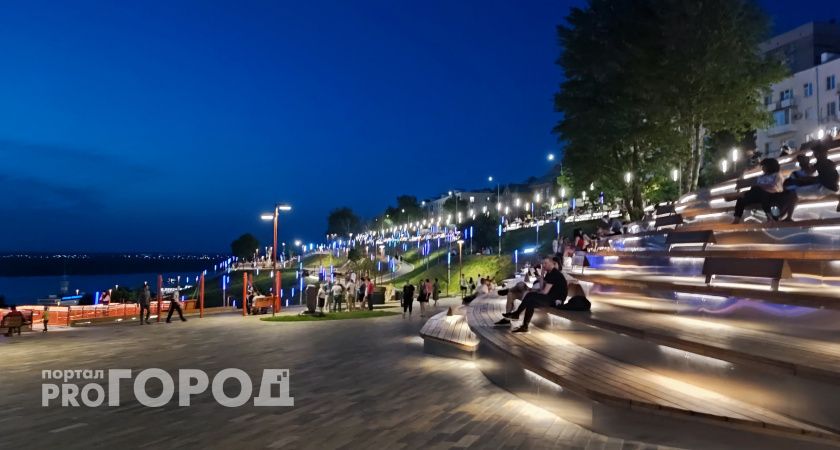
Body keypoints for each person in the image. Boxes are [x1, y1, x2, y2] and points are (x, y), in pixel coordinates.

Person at [500, 255, 568, 333]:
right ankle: (524, 326)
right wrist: (542, 274)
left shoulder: (554, 274)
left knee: (530, 296)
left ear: (552, 263)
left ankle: (517, 315)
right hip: (550, 297)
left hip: (556, 301)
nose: (543, 265)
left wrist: (536, 293)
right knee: (530, 301)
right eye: (543, 264)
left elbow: (544, 292)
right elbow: (542, 287)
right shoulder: (550, 273)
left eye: (545, 263)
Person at [732, 158, 786, 224]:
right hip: (760, 195)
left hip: (773, 195)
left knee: (762, 193)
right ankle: (737, 219)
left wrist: (760, 187)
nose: (762, 168)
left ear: (770, 166)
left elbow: (776, 187)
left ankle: (771, 218)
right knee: (742, 198)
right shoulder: (763, 176)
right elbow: (754, 183)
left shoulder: (777, 175)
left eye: (764, 166)